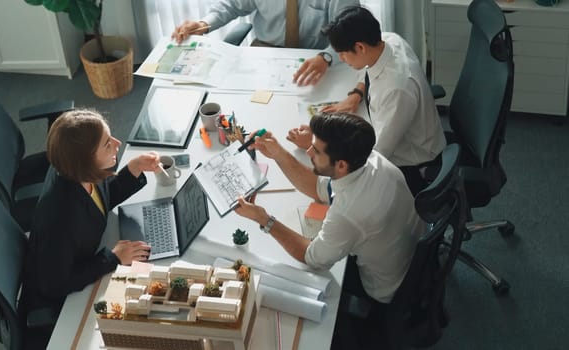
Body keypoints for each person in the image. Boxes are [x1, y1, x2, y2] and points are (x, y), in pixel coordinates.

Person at [235, 113, 424, 340]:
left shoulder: (349, 212)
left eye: (316, 151)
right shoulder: (371, 159)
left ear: (341, 164)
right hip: (410, 259)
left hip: (384, 289)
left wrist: (264, 220)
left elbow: (313, 258)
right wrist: (278, 153)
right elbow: (319, 188)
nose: (308, 152)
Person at [21, 109, 161, 347]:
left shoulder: (79, 175)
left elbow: (100, 202)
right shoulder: (60, 217)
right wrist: (112, 257)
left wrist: (133, 168)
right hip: (63, 300)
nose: (117, 144)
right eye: (107, 144)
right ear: (85, 160)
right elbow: (56, 284)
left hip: (80, 259)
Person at [287, 6, 446, 195]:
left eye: (344, 54)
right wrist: (356, 94)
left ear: (360, 47)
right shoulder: (389, 41)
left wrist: (321, 145)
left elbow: (375, 155)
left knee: (332, 193)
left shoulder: (397, 89)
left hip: (411, 165)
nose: (342, 59)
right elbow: (367, 68)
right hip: (384, 134)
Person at [171, 0, 359, 86]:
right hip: (265, 53)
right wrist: (204, 23)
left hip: (314, 58)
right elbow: (231, 5)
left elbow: (351, 28)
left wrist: (326, 57)